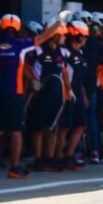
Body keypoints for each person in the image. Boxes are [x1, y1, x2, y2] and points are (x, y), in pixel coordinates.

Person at [0, 15, 54, 179]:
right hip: (14, 94)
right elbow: (45, 37)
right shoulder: (20, 45)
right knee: (16, 130)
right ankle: (15, 167)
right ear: (17, 30)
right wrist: (59, 22)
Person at [24, 23, 72, 172]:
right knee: (38, 127)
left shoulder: (62, 52)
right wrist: (32, 81)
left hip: (57, 94)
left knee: (53, 127)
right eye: (62, 35)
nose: (64, 38)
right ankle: (38, 158)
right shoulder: (38, 50)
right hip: (40, 93)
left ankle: (49, 158)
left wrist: (68, 89)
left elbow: (64, 71)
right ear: (55, 36)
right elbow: (25, 67)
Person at [83, 13, 103, 163]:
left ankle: (91, 149)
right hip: (96, 85)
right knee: (93, 118)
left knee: (87, 118)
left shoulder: (96, 44)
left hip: (92, 85)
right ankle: (94, 150)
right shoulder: (100, 44)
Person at [62, 21, 90, 169]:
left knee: (81, 125)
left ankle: (69, 155)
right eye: (83, 36)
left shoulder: (80, 53)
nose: (85, 39)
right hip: (67, 94)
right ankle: (58, 156)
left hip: (78, 92)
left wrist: (84, 95)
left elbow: (80, 78)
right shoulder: (65, 52)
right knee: (65, 126)